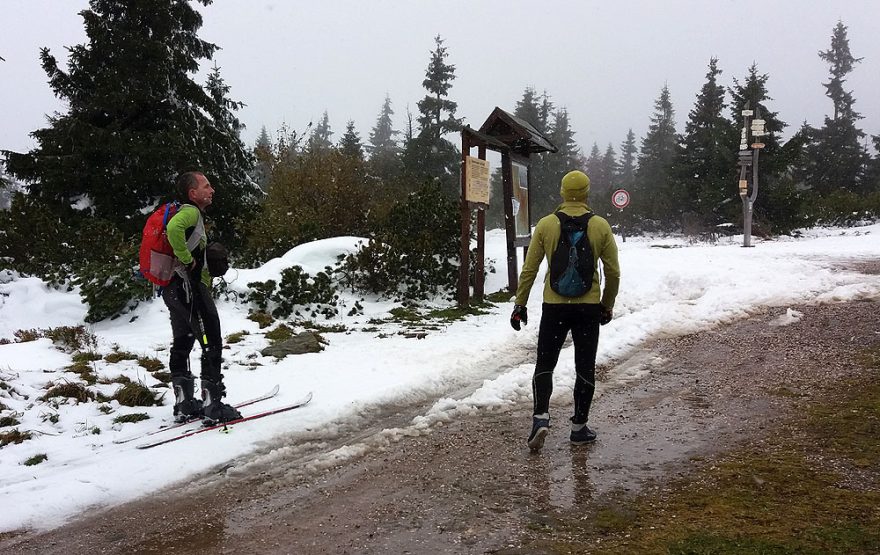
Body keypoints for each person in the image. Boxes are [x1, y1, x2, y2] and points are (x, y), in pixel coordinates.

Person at [510, 170, 620, 451]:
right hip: (588, 307)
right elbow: (613, 272)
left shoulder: (546, 225)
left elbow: (530, 270)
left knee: (545, 364)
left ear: (562, 192)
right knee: (584, 366)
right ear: (586, 193)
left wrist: (519, 304)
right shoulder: (600, 226)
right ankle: (579, 427)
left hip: (554, 307)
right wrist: (606, 305)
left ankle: (540, 418)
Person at [163, 171, 241, 424]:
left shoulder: (182, 212)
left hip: (173, 289)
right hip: (189, 287)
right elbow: (174, 228)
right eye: (206, 186)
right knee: (211, 340)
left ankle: (184, 403)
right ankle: (212, 405)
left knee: (183, 341)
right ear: (192, 193)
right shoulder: (190, 212)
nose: (212, 190)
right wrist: (189, 261)